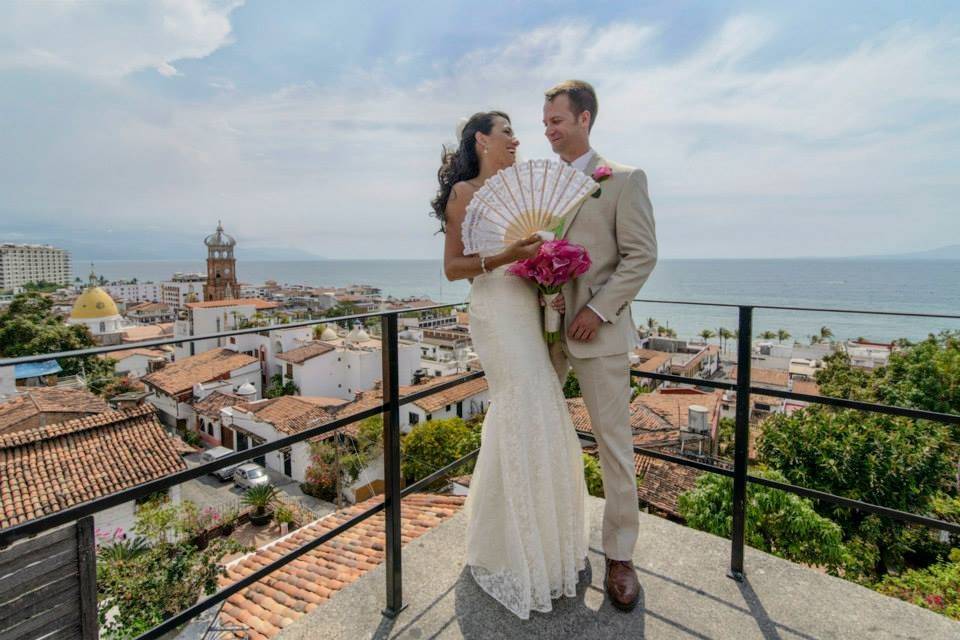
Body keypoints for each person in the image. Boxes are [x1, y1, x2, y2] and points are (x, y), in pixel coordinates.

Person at [431, 110, 589, 619]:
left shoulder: (521, 196)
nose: (517, 140)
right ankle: (514, 550)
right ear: (482, 140)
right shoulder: (465, 194)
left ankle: (545, 542)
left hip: (525, 306)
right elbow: (454, 268)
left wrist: (546, 278)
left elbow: (530, 263)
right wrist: (507, 256)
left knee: (543, 407)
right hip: (495, 312)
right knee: (522, 405)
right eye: (507, 133)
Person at [543, 79, 658, 611]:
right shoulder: (541, 184)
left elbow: (640, 257)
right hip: (544, 333)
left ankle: (620, 556)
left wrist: (595, 309)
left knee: (613, 446)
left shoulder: (624, 181)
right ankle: (548, 540)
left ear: (585, 118)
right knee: (539, 438)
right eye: (545, 122)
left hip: (599, 332)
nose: (548, 130)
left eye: (557, 121)